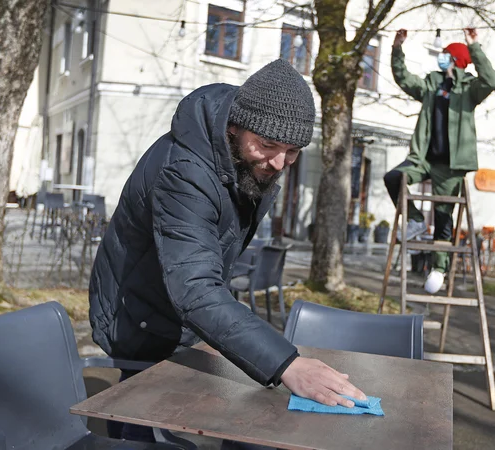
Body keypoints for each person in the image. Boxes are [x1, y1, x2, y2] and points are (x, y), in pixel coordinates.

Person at [88, 59, 366, 445]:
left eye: (293, 151)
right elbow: (196, 288)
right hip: (137, 316)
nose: (279, 163)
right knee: (139, 419)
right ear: (233, 127)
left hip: (174, 313)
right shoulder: (185, 172)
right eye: (267, 146)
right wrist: (287, 364)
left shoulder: (244, 161)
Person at [384, 27, 495, 294]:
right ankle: (413, 219)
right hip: (423, 158)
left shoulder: (470, 88)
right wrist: (397, 49)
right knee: (393, 178)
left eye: (446, 54)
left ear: (456, 59)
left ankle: (439, 268)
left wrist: (475, 47)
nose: (441, 57)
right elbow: (403, 78)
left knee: (444, 220)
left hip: (451, 165)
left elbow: (491, 80)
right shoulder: (431, 83)